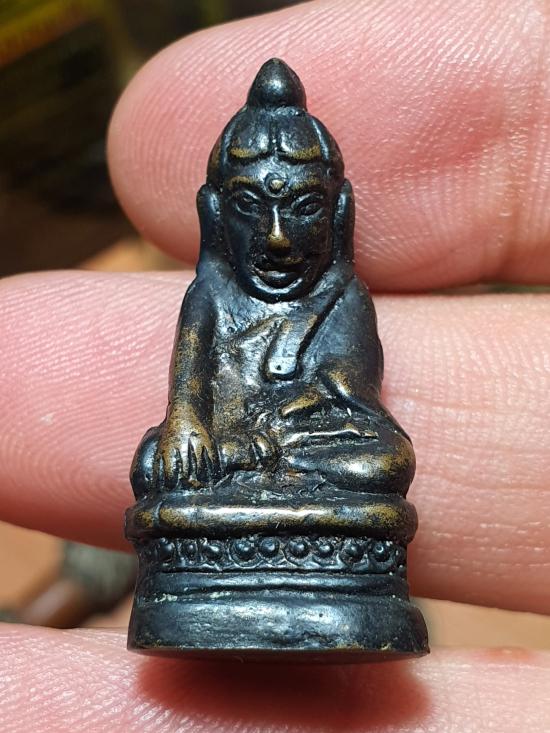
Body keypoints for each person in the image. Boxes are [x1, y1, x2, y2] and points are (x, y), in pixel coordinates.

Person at [1, 0, 550, 729]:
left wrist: (272, 429)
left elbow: (351, 395)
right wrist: (192, 427)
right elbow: (188, 395)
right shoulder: (209, 297)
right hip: (230, 456)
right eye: (251, 208)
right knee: (153, 461)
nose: (279, 237)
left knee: (381, 460)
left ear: (340, 213)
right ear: (213, 214)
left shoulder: (343, 299)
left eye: (304, 209)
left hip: (309, 445)